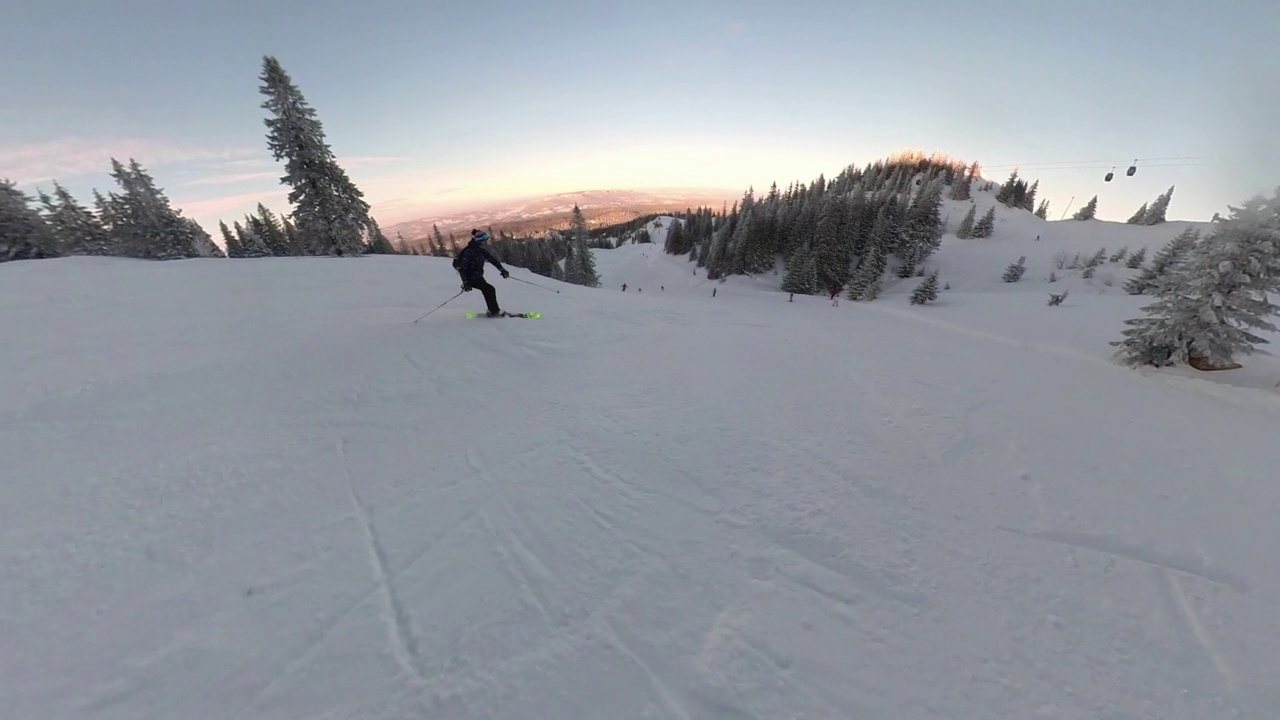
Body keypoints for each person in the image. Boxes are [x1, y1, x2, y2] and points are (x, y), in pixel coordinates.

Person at [452, 229, 510, 316]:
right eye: (484, 241)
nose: (486, 243)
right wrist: (465, 282)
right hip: (471, 277)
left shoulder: (479, 249)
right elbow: (462, 268)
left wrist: (502, 270)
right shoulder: (469, 251)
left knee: (488, 290)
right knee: (489, 289)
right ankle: (494, 311)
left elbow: (492, 259)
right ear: (480, 240)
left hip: (477, 276)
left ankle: (493, 310)